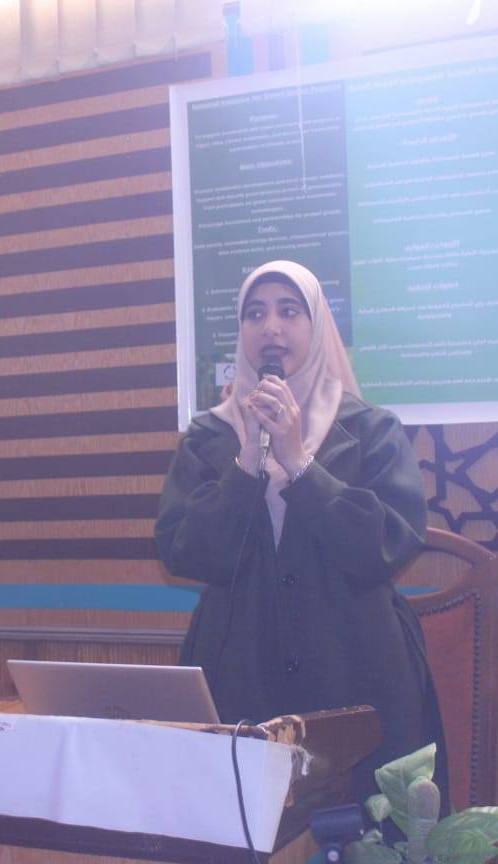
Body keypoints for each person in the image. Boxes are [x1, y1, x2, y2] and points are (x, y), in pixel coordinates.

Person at [155, 260, 448, 807]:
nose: (271, 327)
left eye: (289, 311)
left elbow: (385, 545)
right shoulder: (209, 435)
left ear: (317, 328)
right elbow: (184, 550)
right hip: (240, 670)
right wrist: (247, 462)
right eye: (255, 313)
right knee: (240, 823)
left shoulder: (370, 429)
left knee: (367, 831)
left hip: (358, 672)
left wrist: (298, 460)